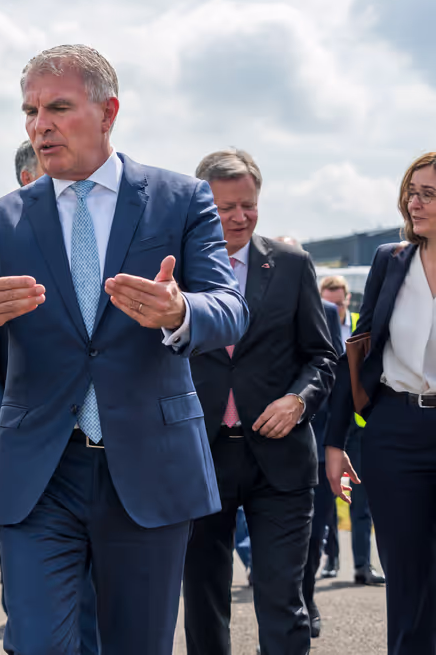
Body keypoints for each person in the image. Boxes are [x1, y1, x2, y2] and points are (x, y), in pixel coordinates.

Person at [0, 44, 249, 653]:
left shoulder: (180, 200)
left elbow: (230, 310)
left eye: (57, 107)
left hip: (148, 465)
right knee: (39, 643)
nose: (39, 125)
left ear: (109, 112)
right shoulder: (1, 221)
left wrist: (180, 311)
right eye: (29, 111)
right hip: (40, 474)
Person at [182, 149, 336, 655]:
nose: (240, 217)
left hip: (281, 457)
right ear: (203, 207)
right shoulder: (176, 269)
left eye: (248, 205)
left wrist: (298, 400)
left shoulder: (291, 265)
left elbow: (321, 357)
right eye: (226, 207)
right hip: (199, 454)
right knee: (203, 598)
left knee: (281, 597)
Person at [0, 138, 101, 655]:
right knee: (34, 620)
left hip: (101, 458)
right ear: (28, 181)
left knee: (95, 614)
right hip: (23, 457)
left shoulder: (102, 242)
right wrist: (19, 437)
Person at [325, 152, 436, 654]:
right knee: (406, 575)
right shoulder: (391, 261)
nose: (415, 203)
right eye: (411, 192)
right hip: (395, 430)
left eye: (428, 194)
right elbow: (360, 351)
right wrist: (335, 442)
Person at [319, 276, 385, 586]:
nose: (334, 308)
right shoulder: (314, 320)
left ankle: (361, 565)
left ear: (348, 299)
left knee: (362, 502)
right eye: (328, 303)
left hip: (361, 426)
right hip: (326, 422)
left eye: (339, 303)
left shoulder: (362, 323)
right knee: (326, 501)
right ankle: (331, 559)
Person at [301, 297, 343, 638]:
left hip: (315, 435)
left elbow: (336, 375)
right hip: (252, 434)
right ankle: (285, 615)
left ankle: (306, 597)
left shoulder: (326, 311)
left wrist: (335, 442)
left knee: (315, 530)